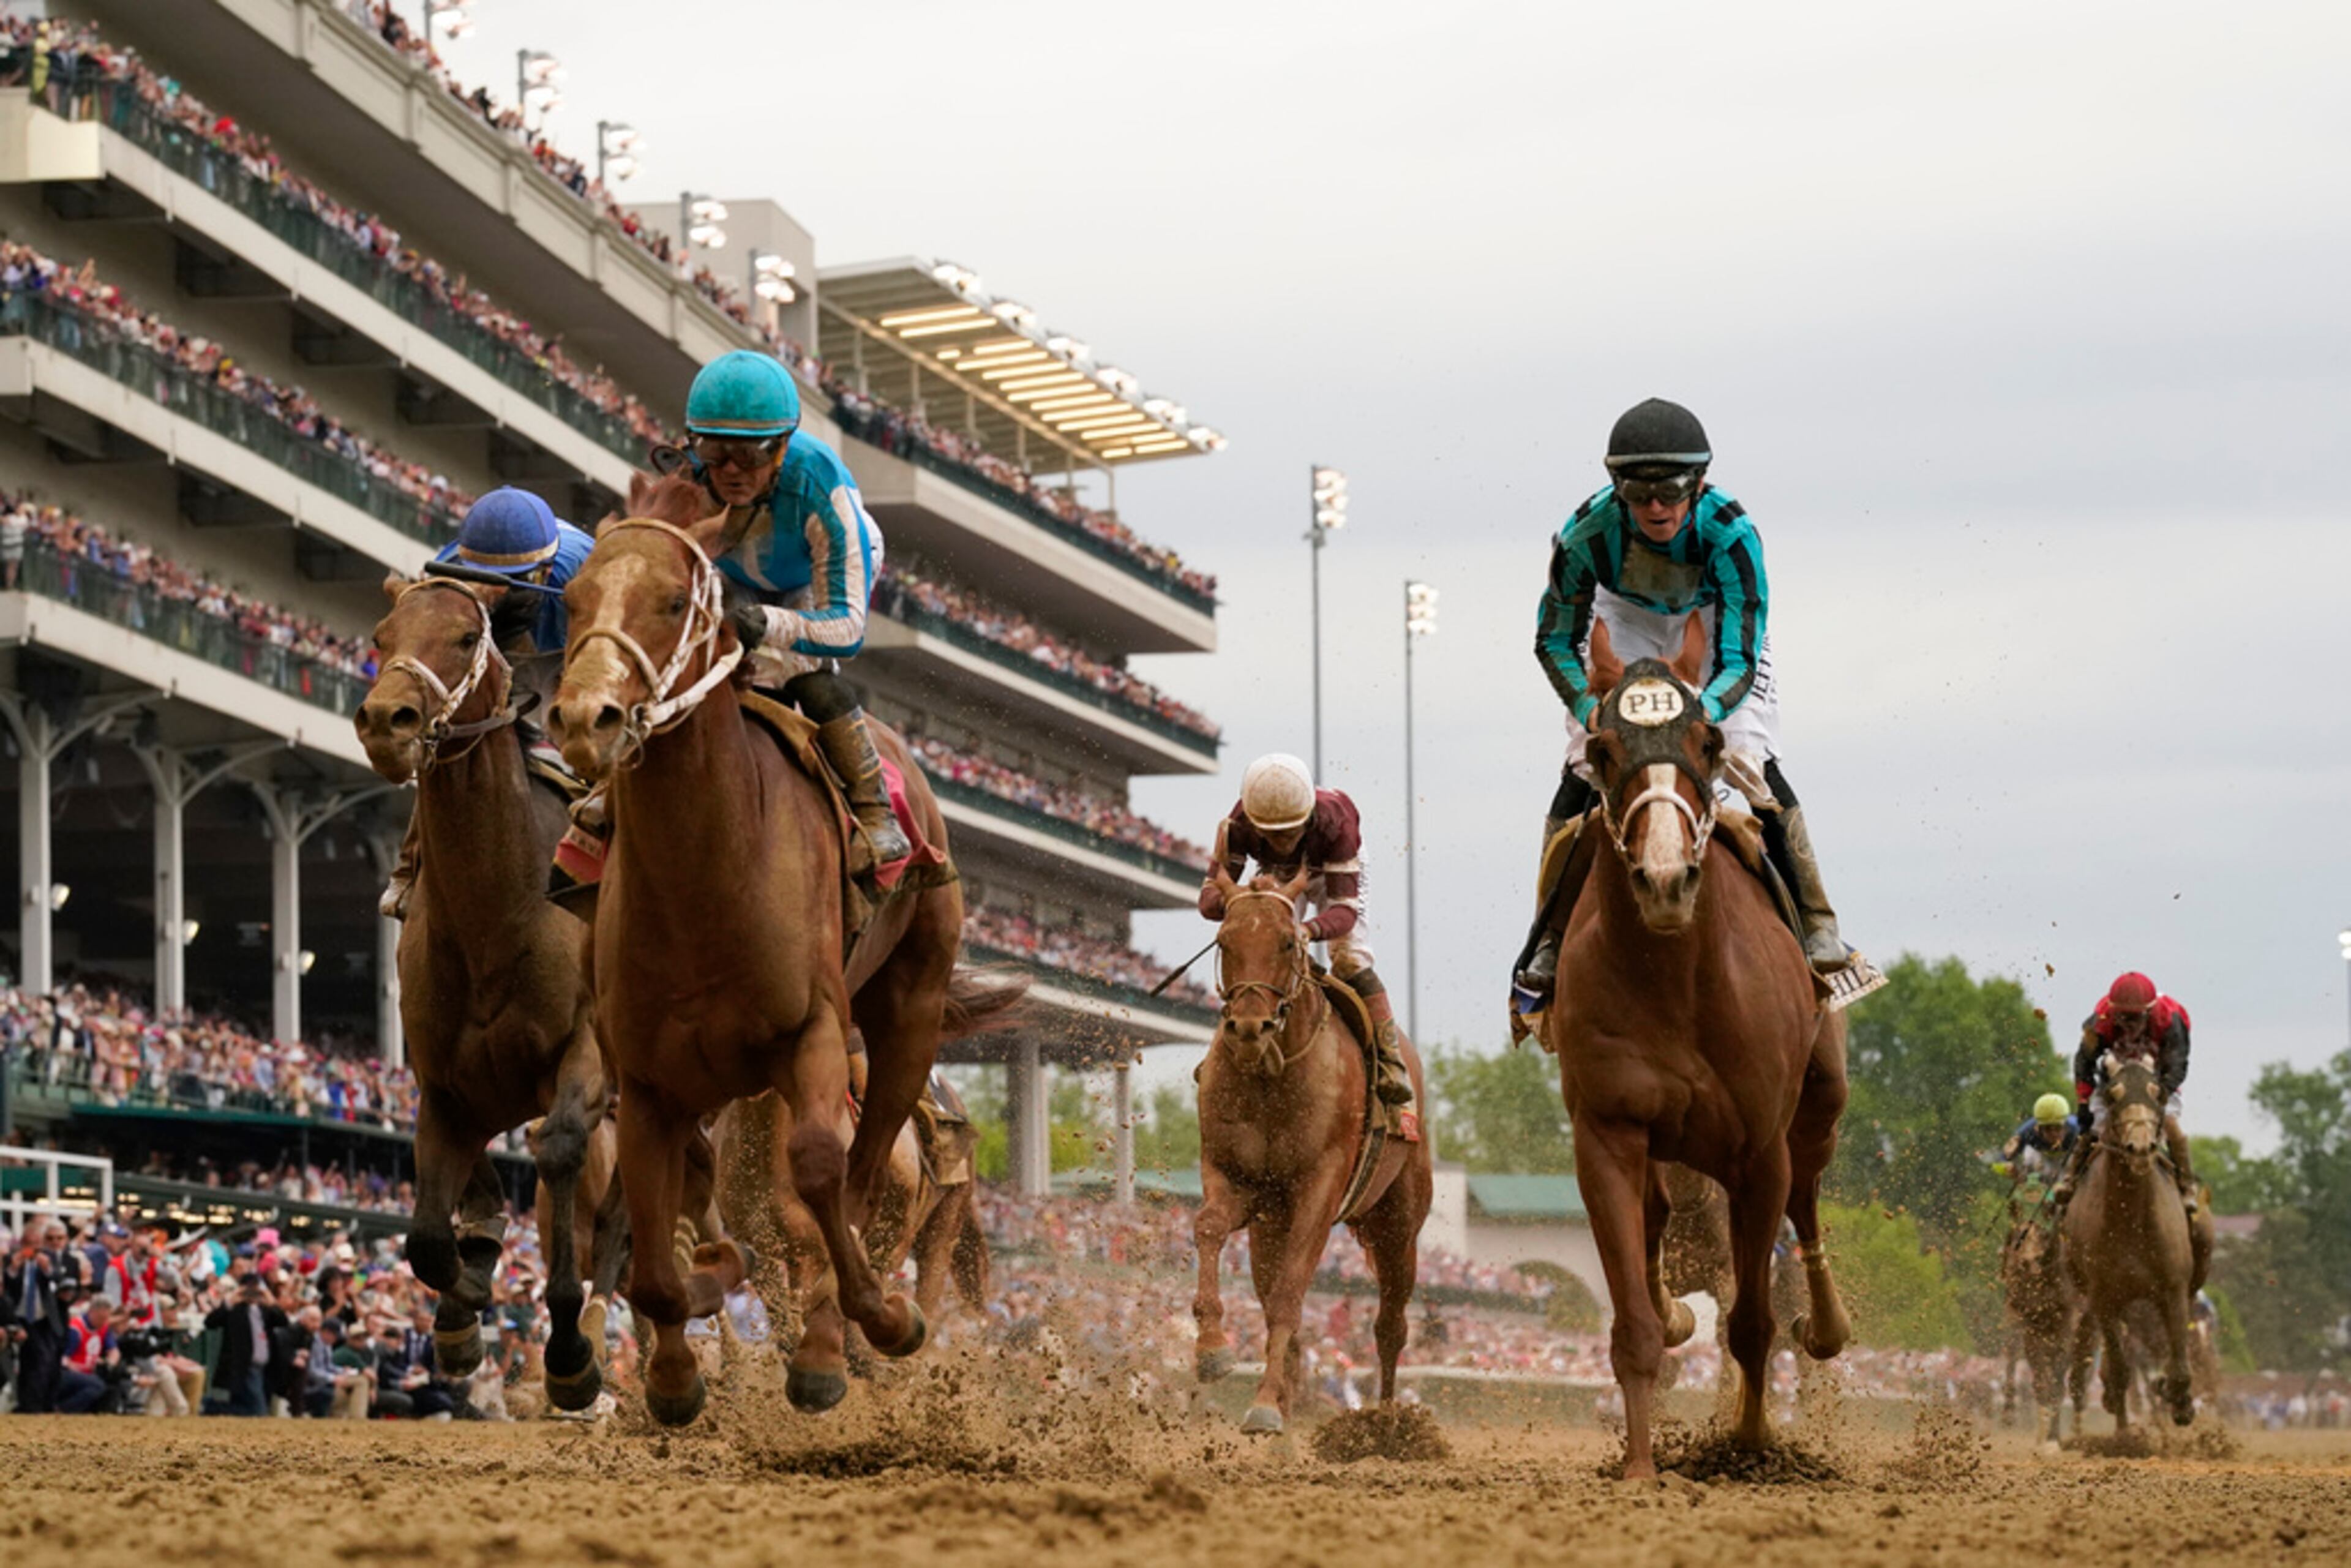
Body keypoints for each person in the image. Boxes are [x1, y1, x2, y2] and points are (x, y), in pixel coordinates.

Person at [1513, 399, 1850, 1007]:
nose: (1656, 507)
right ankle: (1549, 936)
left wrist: (1703, 715)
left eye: (1669, 489)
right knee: (1589, 762)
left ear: (1697, 482)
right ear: (1617, 489)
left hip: (1713, 621)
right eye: (1638, 492)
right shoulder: (1585, 535)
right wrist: (1592, 713)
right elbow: (1554, 640)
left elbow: (1740, 660)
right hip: (1625, 617)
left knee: (1746, 756)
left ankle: (1818, 920)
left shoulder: (1734, 535)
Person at [550, 349, 909, 896]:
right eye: (715, 451)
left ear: (783, 445)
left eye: (750, 454)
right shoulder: (692, 471)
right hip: (732, 565)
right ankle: (608, 793)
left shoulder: (820, 487)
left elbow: (848, 627)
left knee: (801, 676)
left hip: (814, 581)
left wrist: (769, 623)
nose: (732, 471)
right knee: (678, 661)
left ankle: (874, 812)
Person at [379, 486, 596, 918]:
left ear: (548, 567)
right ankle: (409, 862)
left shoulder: (585, 567)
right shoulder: (449, 570)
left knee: (594, 738)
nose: (503, 593)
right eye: (487, 580)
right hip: (492, 651)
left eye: (518, 582)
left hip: (570, 654)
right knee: (446, 744)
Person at [1198, 753, 1415, 1131]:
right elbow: (1209, 904)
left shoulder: (1338, 824)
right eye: (1272, 834)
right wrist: (1246, 899)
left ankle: (1391, 1060)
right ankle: (1231, 1046)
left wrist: (1307, 931)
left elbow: (1345, 914)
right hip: (1280, 879)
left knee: (1350, 960)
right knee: (1259, 947)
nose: (1281, 842)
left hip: (1333, 871)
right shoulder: (1237, 825)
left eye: (1289, 832)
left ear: (1307, 817)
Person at [2051, 972, 2198, 1213]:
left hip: (2158, 1078)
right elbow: (2084, 1063)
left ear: (2150, 1012)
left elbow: (2179, 1064)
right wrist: (2084, 1101)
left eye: (2135, 1017)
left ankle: (2187, 1186)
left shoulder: (2171, 1020)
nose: (2129, 1023)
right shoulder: (2100, 1021)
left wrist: (2163, 1092)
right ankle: (2070, 1180)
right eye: (2123, 1017)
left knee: (2171, 1126)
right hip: (2115, 1076)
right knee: (2094, 1127)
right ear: (2112, 1010)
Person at [202, 1274, 285, 1416]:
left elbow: (283, 1321)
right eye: (249, 1289)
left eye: (255, 1289)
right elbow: (210, 1322)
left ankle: (214, 1408)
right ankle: (212, 1407)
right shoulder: (235, 1309)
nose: (252, 1293)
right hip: (243, 1365)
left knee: (246, 1407)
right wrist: (231, 1301)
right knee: (258, 1410)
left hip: (264, 1367)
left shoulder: (264, 1310)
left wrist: (270, 1300)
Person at [1993, 1093, 2077, 1191]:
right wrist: (2006, 1167)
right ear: (2038, 1129)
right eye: (2048, 1129)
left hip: (2069, 1161)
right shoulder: (2026, 1133)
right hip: (2040, 1163)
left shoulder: (2077, 1130)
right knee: (2030, 1155)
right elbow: (2000, 1160)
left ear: (2066, 1126)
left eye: (2058, 1128)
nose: (2054, 1134)